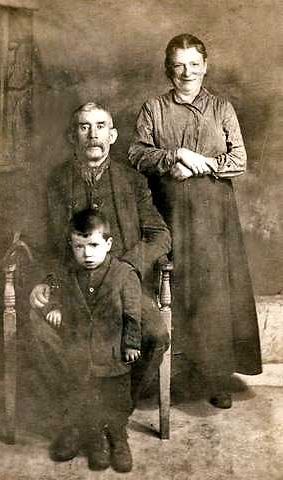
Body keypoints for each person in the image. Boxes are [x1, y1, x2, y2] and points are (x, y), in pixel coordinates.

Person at [27, 102, 171, 456]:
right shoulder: (58, 181)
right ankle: (76, 419)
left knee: (154, 334)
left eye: (100, 126)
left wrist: (126, 266)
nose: (92, 134)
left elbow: (160, 235)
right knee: (42, 328)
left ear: (113, 135)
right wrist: (46, 279)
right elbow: (45, 241)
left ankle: (113, 418)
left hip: (123, 288)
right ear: (72, 136)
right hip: (71, 289)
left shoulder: (133, 181)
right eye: (83, 127)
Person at [128, 33, 262, 409]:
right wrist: (175, 156)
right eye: (178, 65)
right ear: (167, 68)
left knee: (213, 294)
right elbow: (136, 153)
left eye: (194, 64)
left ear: (205, 66)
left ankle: (214, 376)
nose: (186, 72)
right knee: (168, 288)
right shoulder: (153, 108)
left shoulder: (222, 108)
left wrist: (201, 167)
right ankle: (162, 374)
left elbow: (239, 160)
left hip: (213, 218)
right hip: (167, 212)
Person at [33, 208, 141, 472]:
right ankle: (94, 441)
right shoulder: (69, 273)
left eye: (93, 245)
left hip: (113, 353)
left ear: (108, 244)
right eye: (79, 247)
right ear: (72, 246)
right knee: (83, 394)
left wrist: (131, 344)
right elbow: (56, 292)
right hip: (80, 353)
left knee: (116, 400)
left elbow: (132, 313)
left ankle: (118, 438)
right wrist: (54, 308)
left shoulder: (124, 275)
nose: (87, 254)